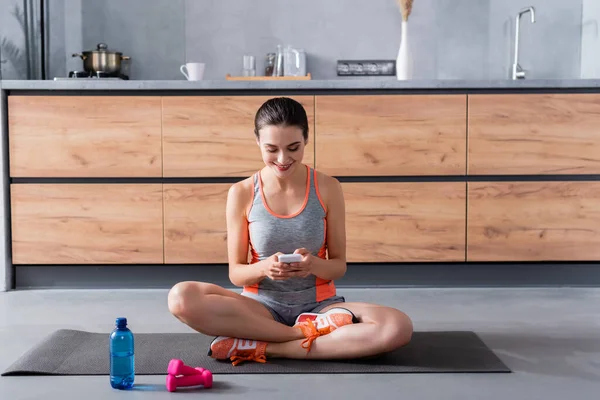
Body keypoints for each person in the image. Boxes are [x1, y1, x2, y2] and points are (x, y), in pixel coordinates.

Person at [167, 97, 413, 366]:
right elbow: (236, 273)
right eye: (271, 149)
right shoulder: (242, 192)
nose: (283, 159)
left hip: (321, 308)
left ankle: (270, 348)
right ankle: (300, 335)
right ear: (257, 142)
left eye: (293, 148)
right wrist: (264, 269)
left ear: (306, 140)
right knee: (181, 298)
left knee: (397, 326)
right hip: (259, 308)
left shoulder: (328, 187)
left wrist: (313, 265)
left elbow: (338, 266)